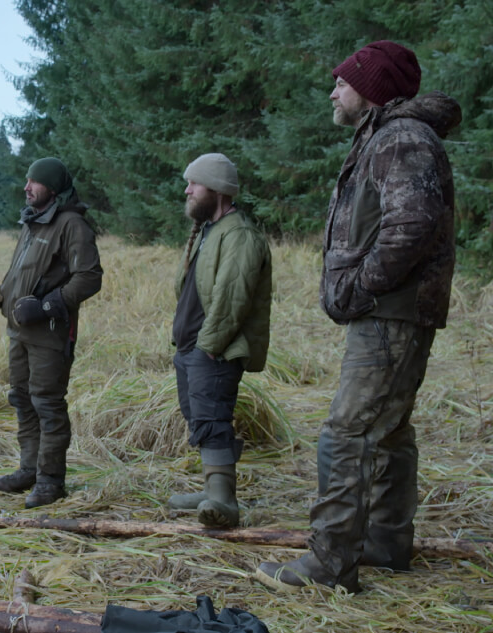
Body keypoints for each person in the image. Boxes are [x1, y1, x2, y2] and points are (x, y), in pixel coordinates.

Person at [257, 41, 461, 592]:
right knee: (388, 430)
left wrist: (360, 285)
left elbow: (411, 225)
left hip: (390, 311)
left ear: (371, 90)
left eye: (342, 82)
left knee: (347, 432)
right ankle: (386, 544)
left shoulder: (401, 138)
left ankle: (329, 564)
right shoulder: (388, 136)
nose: (333, 92)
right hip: (392, 310)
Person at [0, 157, 103, 509]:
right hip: (18, 332)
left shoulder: (71, 225)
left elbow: (89, 277)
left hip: (50, 333)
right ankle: (29, 470)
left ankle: (51, 481)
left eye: (34, 182)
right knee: (22, 399)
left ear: (52, 188)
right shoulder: (32, 221)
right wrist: (2, 292)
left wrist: (48, 305)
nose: (27, 187)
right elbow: (23, 270)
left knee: (47, 404)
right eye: (27, 180)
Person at [166, 153, 271, 528]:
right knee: (199, 417)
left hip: (215, 350)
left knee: (213, 419)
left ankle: (224, 501)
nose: (187, 190)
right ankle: (212, 489)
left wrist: (209, 348)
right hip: (192, 348)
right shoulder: (210, 230)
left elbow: (232, 299)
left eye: (194, 183)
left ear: (217, 189)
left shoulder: (238, 234)